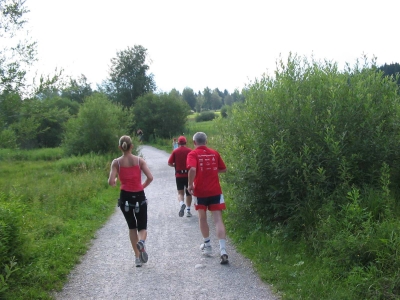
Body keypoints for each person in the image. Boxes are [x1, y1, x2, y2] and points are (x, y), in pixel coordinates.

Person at [108, 135, 153, 267]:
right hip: (139, 196)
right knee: (142, 226)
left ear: (120, 147)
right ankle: (142, 242)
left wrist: (116, 181)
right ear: (132, 146)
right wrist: (141, 187)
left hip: (125, 197)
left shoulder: (116, 162)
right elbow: (150, 177)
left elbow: (111, 182)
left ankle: (137, 258)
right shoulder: (139, 161)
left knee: (132, 226)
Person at [187, 132, 229, 264]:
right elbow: (223, 169)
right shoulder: (214, 153)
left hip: (200, 191)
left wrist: (190, 185)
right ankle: (223, 250)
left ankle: (208, 245)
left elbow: (192, 169)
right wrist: (212, 170)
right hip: (215, 190)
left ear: (194, 143)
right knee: (217, 219)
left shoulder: (193, 154)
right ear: (206, 141)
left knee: (202, 217)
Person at [168, 136, 193, 217]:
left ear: (178, 143)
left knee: (180, 192)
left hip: (179, 175)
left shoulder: (175, 151)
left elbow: (169, 163)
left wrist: (175, 165)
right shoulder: (190, 151)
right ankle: (188, 211)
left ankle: (182, 204)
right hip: (188, 175)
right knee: (189, 192)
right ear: (185, 142)